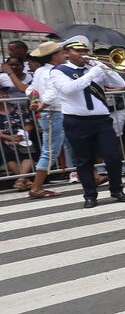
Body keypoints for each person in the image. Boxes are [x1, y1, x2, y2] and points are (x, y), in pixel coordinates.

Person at [52, 35, 125, 208]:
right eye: (78, 50)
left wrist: (108, 70)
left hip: (101, 120)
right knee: (83, 160)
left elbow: (120, 84)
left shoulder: (94, 67)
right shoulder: (59, 71)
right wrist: (93, 72)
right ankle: (90, 195)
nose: (83, 54)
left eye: (85, 50)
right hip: (76, 121)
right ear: (67, 52)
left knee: (113, 157)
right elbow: (69, 89)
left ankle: (116, 189)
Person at [25, 40, 69, 198]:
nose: (65, 55)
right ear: (55, 56)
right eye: (62, 52)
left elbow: (31, 91)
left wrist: (35, 102)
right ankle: (36, 187)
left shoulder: (39, 71)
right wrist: (41, 105)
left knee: (74, 144)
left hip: (53, 112)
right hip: (53, 112)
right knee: (50, 150)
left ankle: (92, 175)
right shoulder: (54, 71)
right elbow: (52, 93)